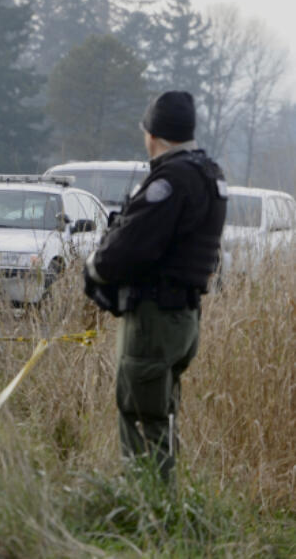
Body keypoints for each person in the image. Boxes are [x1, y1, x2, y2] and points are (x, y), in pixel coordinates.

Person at [83, 90, 227, 480]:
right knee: (160, 415)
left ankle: (149, 519)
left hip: (153, 319)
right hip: (182, 317)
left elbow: (131, 247)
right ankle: (163, 513)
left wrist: (95, 267)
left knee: (142, 418)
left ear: (153, 134)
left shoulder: (172, 180)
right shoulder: (207, 173)